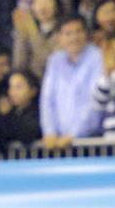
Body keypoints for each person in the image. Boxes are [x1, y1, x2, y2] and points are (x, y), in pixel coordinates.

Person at [39, 15, 104, 146]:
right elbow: (47, 100)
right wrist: (49, 132)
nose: (74, 38)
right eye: (68, 33)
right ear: (59, 38)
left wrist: (73, 135)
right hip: (58, 142)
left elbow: (96, 101)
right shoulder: (55, 61)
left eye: (78, 31)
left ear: (86, 34)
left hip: (90, 139)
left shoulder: (98, 57)